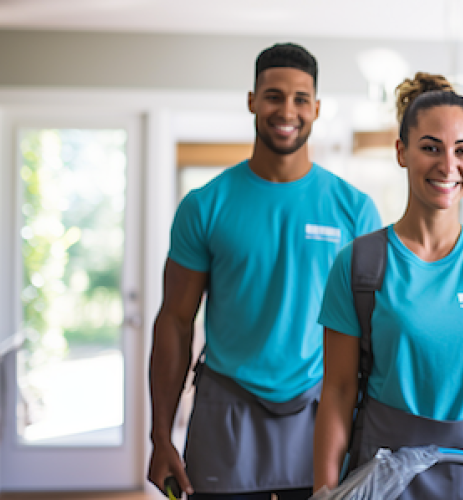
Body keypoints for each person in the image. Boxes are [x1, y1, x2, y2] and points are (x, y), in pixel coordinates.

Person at [147, 42, 382, 500]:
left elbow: (372, 337)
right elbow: (175, 321)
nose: (286, 110)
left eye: (300, 99)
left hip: (321, 413)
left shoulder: (354, 210)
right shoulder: (204, 206)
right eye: (273, 95)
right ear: (252, 100)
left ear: (316, 108)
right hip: (227, 413)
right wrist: (160, 437)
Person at [313, 72, 463, 500]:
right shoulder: (360, 265)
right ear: (401, 152)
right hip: (384, 480)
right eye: (430, 148)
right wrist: (325, 490)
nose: (448, 165)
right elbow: (339, 390)